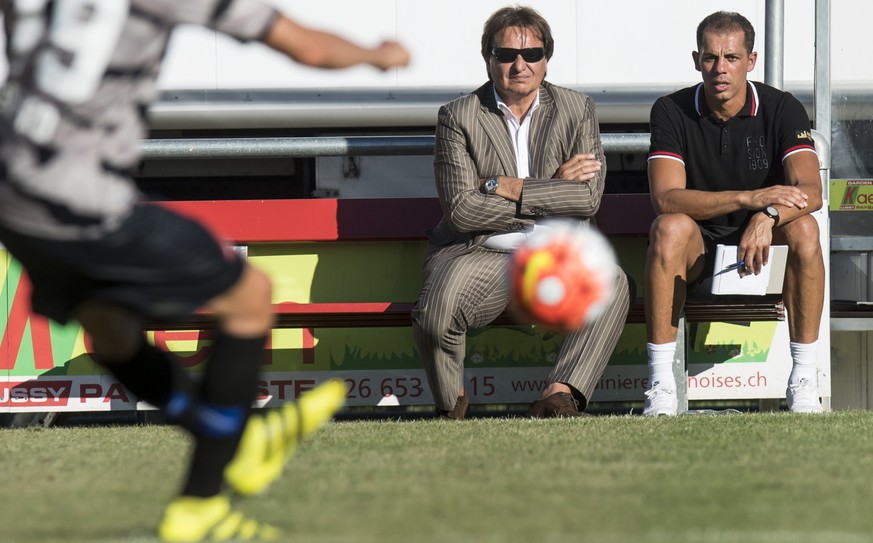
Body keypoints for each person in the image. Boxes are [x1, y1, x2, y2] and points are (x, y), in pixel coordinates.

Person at [0, 1, 409, 541]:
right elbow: (305, 45)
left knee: (111, 329)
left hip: (11, 190)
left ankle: (225, 441)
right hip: (78, 199)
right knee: (251, 294)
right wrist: (376, 55)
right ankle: (205, 496)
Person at [411, 5, 630, 420]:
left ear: (547, 58)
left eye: (532, 54)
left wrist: (502, 184)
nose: (519, 64)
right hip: (481, 254)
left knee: (613, 280)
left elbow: (587, 200)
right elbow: (462, 212)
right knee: (436, 309)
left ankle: (557, 395)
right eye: (506, 54)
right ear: (488, 57)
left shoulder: (577, 108)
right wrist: (554, 187)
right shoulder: (458, 116)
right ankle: (451, 406)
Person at [643, 11, 824, 416]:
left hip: (764, 253)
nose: (720, 69)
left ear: (752, 60)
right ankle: (660, 387)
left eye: (731, 57)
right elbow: (667, 199)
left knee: (806, 230)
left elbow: (811, 192)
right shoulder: (670, 110)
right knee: (669, 228)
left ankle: (804, 382)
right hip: (697, 252)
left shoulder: (782, 107)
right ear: (696, 60)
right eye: (710, 58)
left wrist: (767, 215)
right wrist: (750, 199)